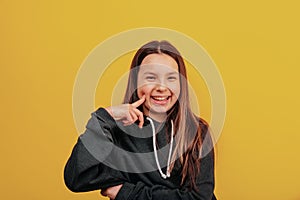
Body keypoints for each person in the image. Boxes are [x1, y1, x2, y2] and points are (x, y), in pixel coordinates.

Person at [64, 40, 217, 200]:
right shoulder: (116, 131)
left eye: (171, 78)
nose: (161, 87)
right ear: (135, 81)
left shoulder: (197, 131)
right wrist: (104, 117)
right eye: (151, 77)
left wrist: (126, 192)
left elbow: (200, 197)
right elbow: (77, 178)